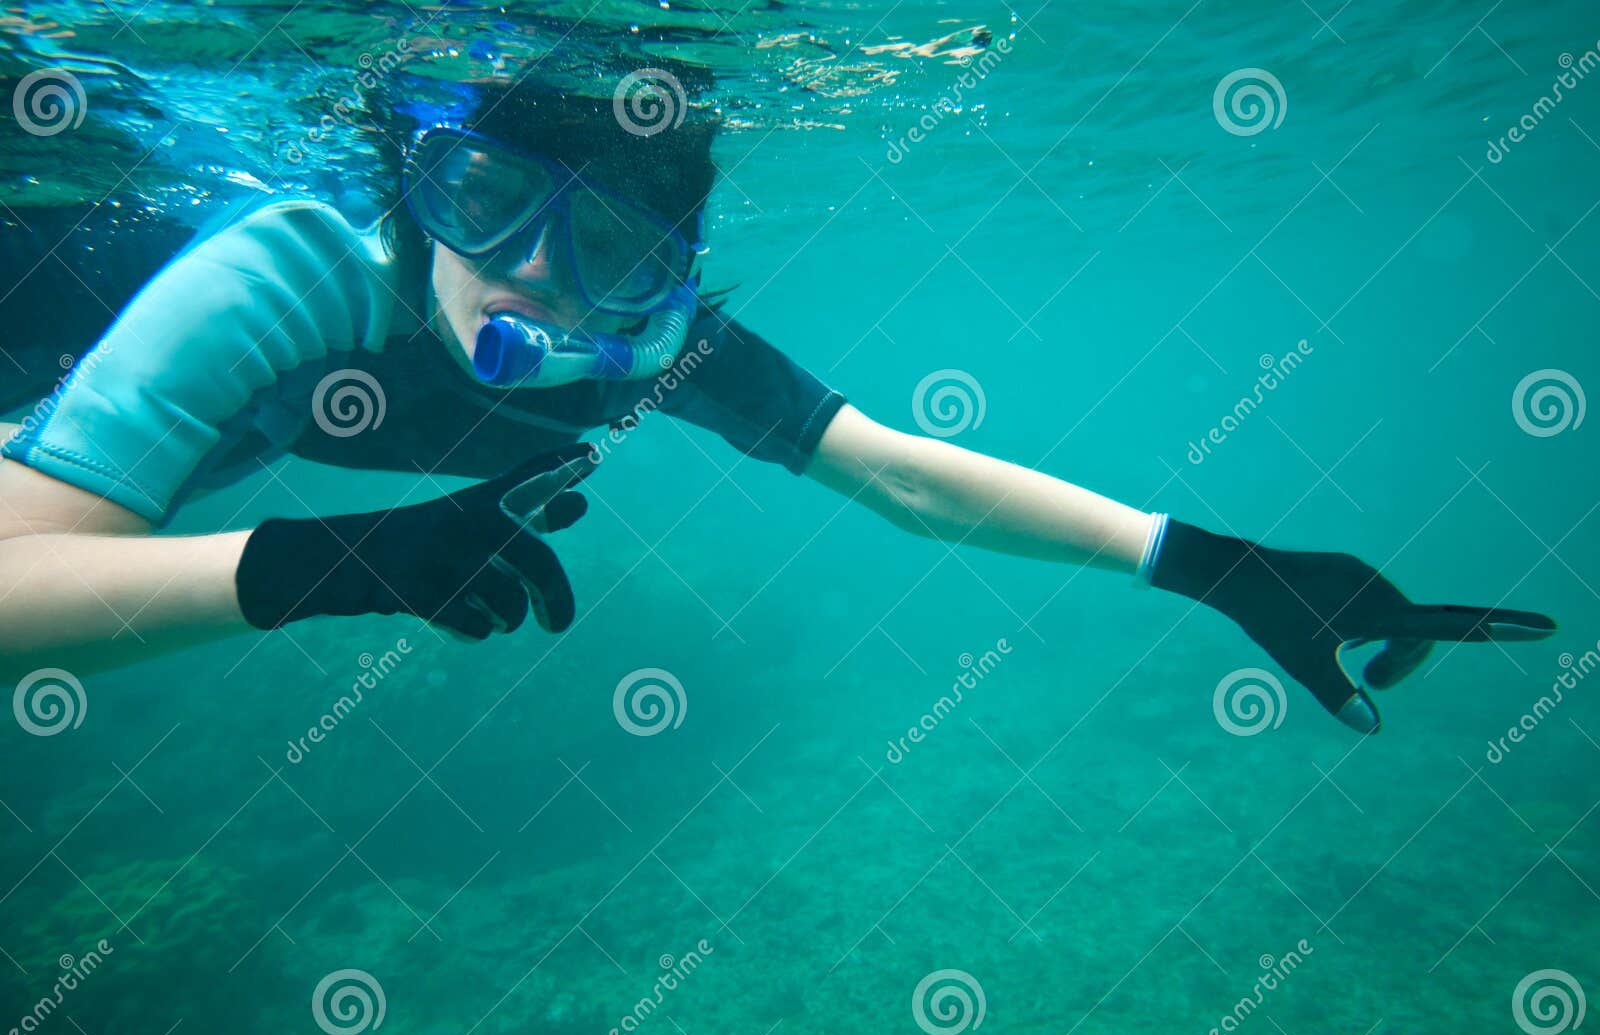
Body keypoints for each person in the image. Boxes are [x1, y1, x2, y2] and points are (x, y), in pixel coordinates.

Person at [0, 69, 1556, 733]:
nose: (530, 272)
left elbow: (901, 472)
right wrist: (343, 565)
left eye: (609, 243)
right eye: (483, 196)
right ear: (418, 179)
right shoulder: (291, 274)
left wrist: (1225, 566)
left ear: (668, 270)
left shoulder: (654, 348)